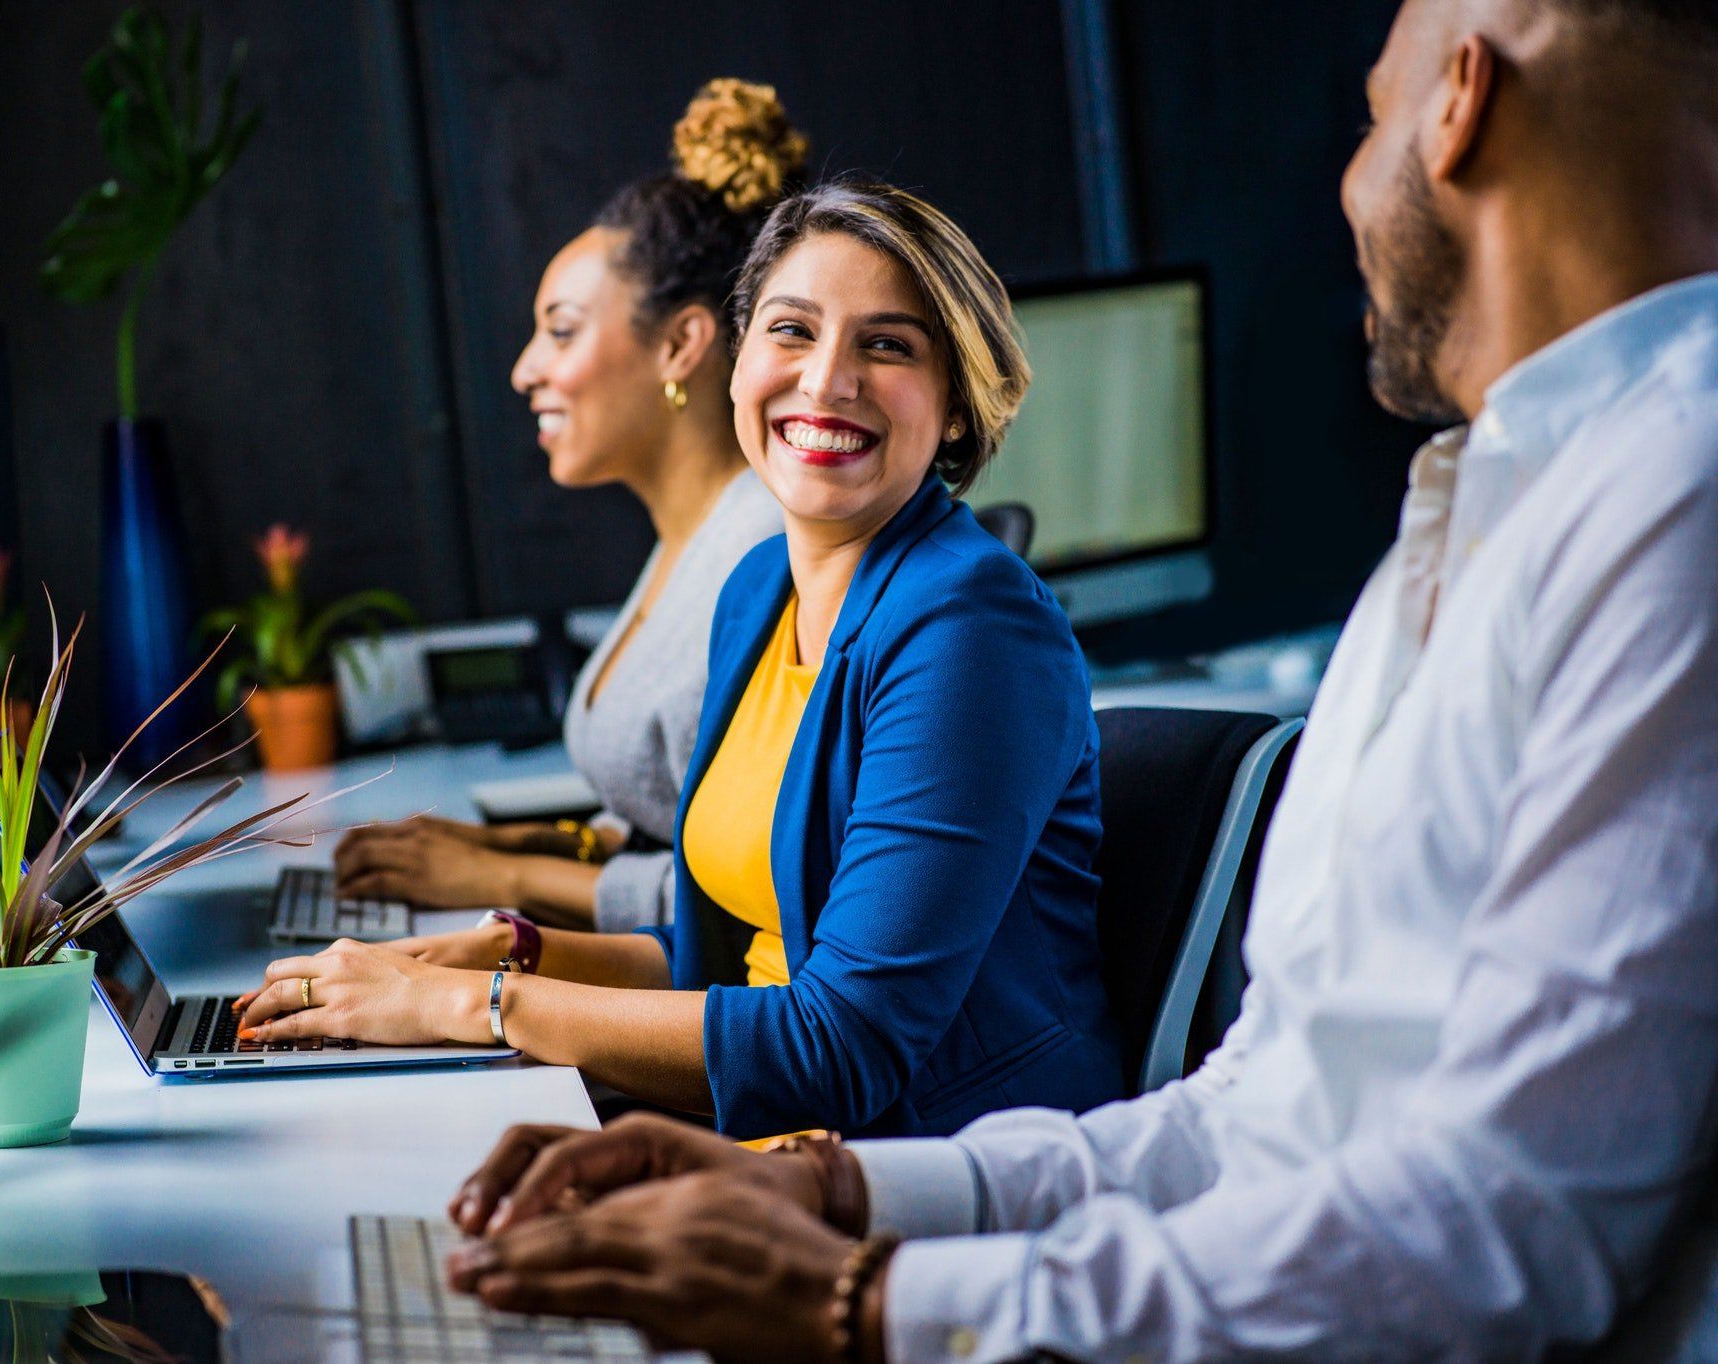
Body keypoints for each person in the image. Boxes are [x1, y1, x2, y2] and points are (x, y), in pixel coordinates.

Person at [435, 0, 1718, 1358]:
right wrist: (829, 1191)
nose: (1350, 180)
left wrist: (860, 1297)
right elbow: (1260, 1119)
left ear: (1458, 105)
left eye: (1369, 116)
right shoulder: (1480, 504)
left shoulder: (1672, 498)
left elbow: (1503, 1232)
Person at [241, 181, 1124, 1141]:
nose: (827, 380)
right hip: (769, 1135)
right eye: (791, 331)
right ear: (739, 360)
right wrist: (501, 954)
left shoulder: (971, 627)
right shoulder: (756, 591)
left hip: (940, 1168)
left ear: (956, 407)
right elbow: (726, 961)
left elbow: (843, 1045)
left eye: (887, 345)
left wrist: (474, 1006)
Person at [330, 79, 791, 932]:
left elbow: (747, 904)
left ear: (681, 343)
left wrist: (501, 881)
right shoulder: (690, 539)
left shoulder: (763, 559)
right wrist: (519, 848)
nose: (525, 369)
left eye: (563, 329)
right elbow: (674, 822)